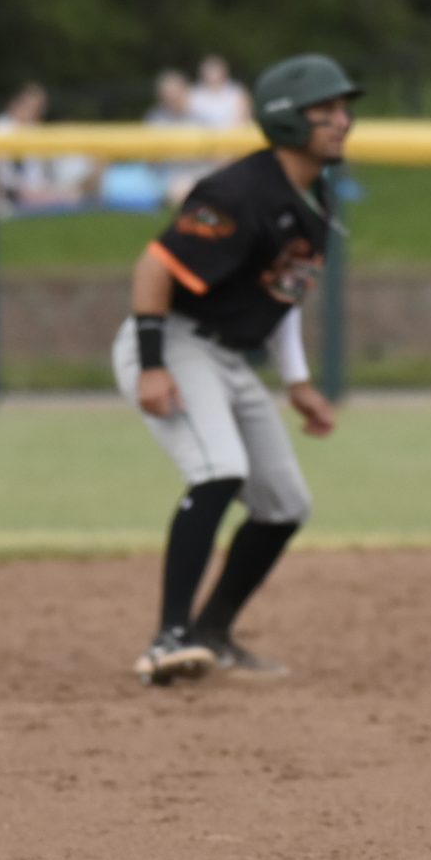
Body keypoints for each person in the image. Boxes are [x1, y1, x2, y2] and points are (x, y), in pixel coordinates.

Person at [115, 53, 356, 686]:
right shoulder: (237, 193)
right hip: (175, 340)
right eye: (324, 111)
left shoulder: (316, 195)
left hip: (226, 354)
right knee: (219, 469)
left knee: (283, 503)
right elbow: (153, 270)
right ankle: (167, 638)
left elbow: (284, 296)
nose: (342, 120)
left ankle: (211, 634)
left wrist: (297, 382)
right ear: (285, 120)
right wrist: (151, 366)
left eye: (341, 108)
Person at [0, 82, 100, 214]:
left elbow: (35, 179)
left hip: (31, 192)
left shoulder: (33, 131)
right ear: (15, 104)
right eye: (30, 107)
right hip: (5, 195)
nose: (35, 113)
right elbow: (4, 179)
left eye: (38, 109)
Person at [145, 68, 214, 206]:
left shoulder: (200, 119)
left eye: (175, 95)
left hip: (199, 171)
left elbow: (212, 155)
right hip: (168, 174)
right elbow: (152, 160)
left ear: (185, 92)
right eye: (168, 96)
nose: (172, 99)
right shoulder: (155, 119)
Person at [187, 54, 252, 131]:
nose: (213, 76)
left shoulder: (237, 92)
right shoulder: (193, 93)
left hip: (231, 136)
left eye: (215, 71)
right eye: (210, 72)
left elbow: (244, 118)